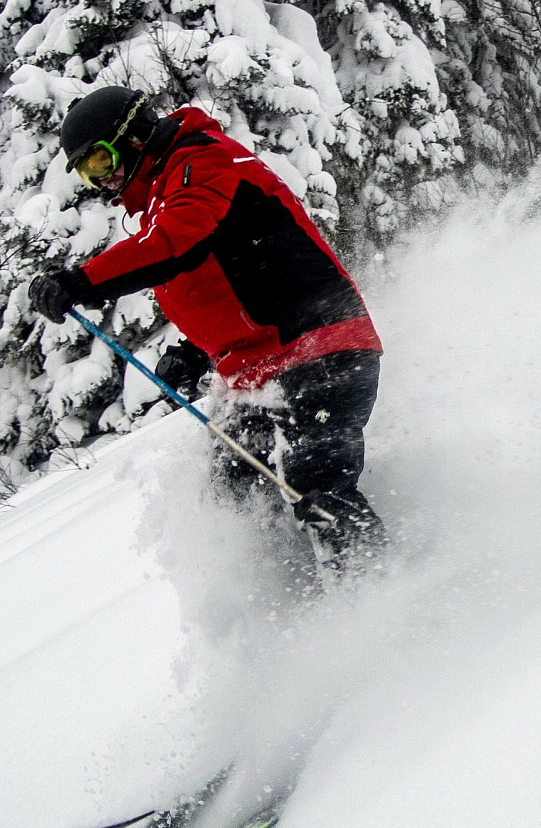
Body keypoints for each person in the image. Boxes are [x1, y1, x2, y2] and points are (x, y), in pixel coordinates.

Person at [27, 85, 387, 579]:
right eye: (91, 175)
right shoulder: (166, 196)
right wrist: (196, 354)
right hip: (262, 372)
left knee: (313, 478)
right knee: (232, 493)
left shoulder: (202, 161)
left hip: (320, 347)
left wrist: (81, 281)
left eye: (101, 161)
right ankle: (292, 613)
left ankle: (384, 597)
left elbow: (179, 246)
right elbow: (224, 279)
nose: (104, 182)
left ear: (134, 138)